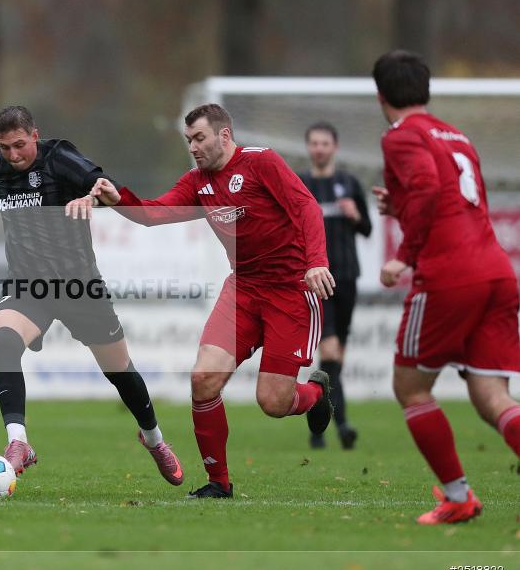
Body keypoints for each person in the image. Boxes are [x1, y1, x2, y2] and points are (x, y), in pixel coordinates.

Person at [66, 103, 336, 499]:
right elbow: (153, 214)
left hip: (290, 290)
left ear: (224, 136)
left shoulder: (262, 163)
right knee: (203, 379)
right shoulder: (197, 182)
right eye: (188, 140)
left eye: (199, 138)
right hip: (243, 289)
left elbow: (305, 206)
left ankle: (313, 394)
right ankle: (219, 484)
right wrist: (116, 195)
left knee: (274, 402)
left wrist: (316, 263)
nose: (192, 147)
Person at [0, 105, 184, 485]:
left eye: (20, 145)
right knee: (5, 341)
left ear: (35, 136)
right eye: (6, 148)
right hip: (29, 286)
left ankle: (154, 439)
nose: (13, 155)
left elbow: (103, 182)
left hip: (79, 286)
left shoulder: (59, 158)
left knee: (120, 372)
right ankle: (18, 442)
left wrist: (89, 198)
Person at [371, 50, 520, 524]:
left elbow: (431, 190)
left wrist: (404, 255)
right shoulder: (457, 135)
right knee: (490, 398)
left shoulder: (400, 136)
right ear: (426, 89)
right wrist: (402, 205)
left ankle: (458, 498)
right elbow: (452, 198)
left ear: (381, 95)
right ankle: (458, 498)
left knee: (411, 388)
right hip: (496, 269)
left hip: (451, 275)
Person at [300, 121, 372, 450]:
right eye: (314, 143)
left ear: (334, 147)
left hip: (348, 278)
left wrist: (355, 214)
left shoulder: (349, 183)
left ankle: (319, 425)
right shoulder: (300, 184)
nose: (319, 148)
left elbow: (368, 228)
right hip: (317, 280)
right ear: (308, 147)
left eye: (324, 143)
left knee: (335, 358)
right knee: (328, 351)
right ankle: (341, 425)